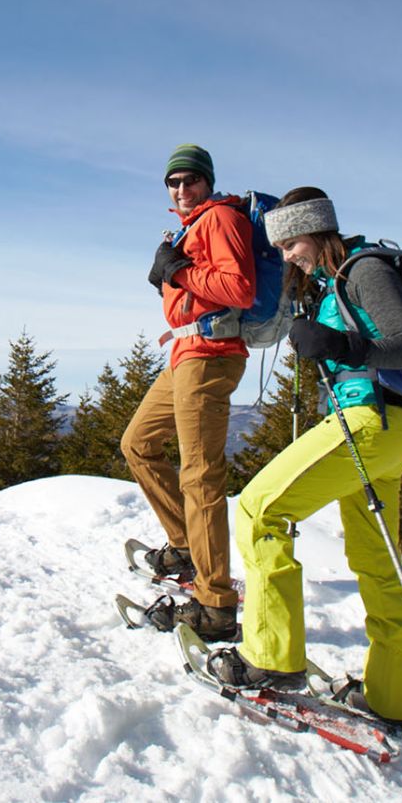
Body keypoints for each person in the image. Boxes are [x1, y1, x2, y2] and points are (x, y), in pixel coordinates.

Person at [206, 186, 402, 724]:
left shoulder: (363, 269)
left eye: (291, 243)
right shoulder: (335, 281)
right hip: (386, 431)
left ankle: (271, 658)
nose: (287, 255)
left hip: (367, 423)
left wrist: (339, 346)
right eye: (280, 247)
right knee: (378, 564)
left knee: (259, 511)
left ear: (318, 228)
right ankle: (394, 697)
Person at [120, 143, 256, 642]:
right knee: (137, 444)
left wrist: (176, 271)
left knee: (200, 474)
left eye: (190, 181)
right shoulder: (193, 224)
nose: (181, 190)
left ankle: (216, 603)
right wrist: (171, 276)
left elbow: (238, 287)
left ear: (207, 181)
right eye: (173, 183)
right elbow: (198, 289)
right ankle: (185, 544)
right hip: (184, 352)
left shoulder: (219, 217)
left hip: (211, 355)